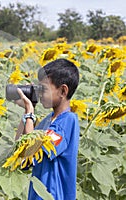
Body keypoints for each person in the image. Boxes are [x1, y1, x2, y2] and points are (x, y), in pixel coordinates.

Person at [14, 58, 80, 200]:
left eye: (43, 88)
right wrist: (26, 113)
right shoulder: (46, 121)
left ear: (63, 91)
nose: (40, 93)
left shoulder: (68, 121)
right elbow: (22, 151)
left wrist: (30, 112)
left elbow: (32, 149)